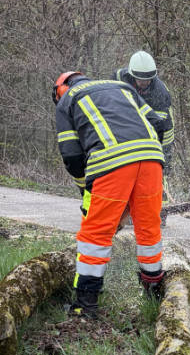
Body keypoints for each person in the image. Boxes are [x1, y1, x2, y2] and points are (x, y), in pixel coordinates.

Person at [54, 71, 167, 317]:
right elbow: (160, 124)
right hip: (151, 158)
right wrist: (149, 154)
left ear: (60, 88)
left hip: (111, 162)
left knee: (95, 235)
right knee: (148, 229)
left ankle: (86, 304)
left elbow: (72, 156)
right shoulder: (121, 87)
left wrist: (86, 188)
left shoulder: (67, 100)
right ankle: (154, 292)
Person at [115, 51, 173, 150]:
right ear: (132, 75)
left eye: (148, 79)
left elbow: (157, 125)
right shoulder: (120, 77)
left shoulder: (160, 94)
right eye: (141, 79)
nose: (145, 82)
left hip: (163, 135)